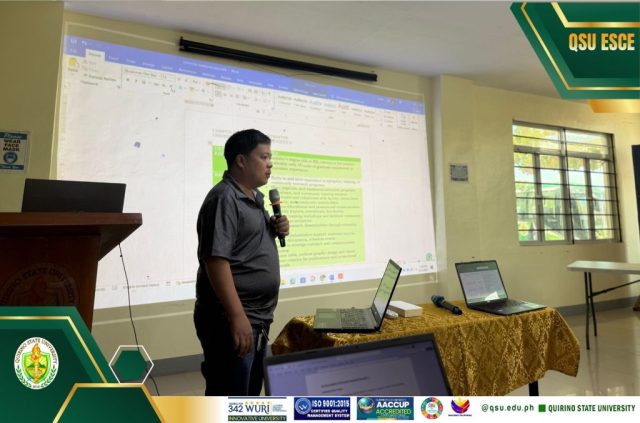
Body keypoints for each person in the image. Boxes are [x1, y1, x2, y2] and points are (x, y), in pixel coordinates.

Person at [194, 129, 289, 396]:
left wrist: (274, 228)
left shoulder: (255, 198)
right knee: (230, 398)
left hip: (257, 318)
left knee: (248, 397)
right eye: (264, 156)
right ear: (241, 160)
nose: (270, 163)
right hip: (232, 319)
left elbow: (245, 246)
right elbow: (216, 260)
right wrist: (237, 316)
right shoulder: (224, 198)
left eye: (270, 157)